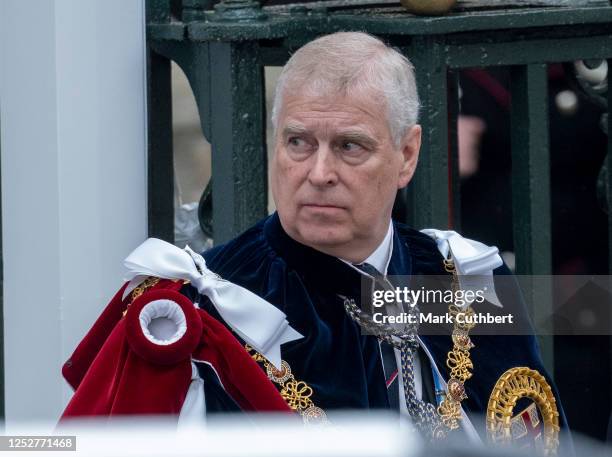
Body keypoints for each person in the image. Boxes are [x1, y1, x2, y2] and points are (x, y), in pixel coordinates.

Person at [63, 32, 567, 451]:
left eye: (350, 146)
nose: (318, 173)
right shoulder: (205, 313)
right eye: (298, 142)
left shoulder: (464, 274)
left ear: (407, 155)